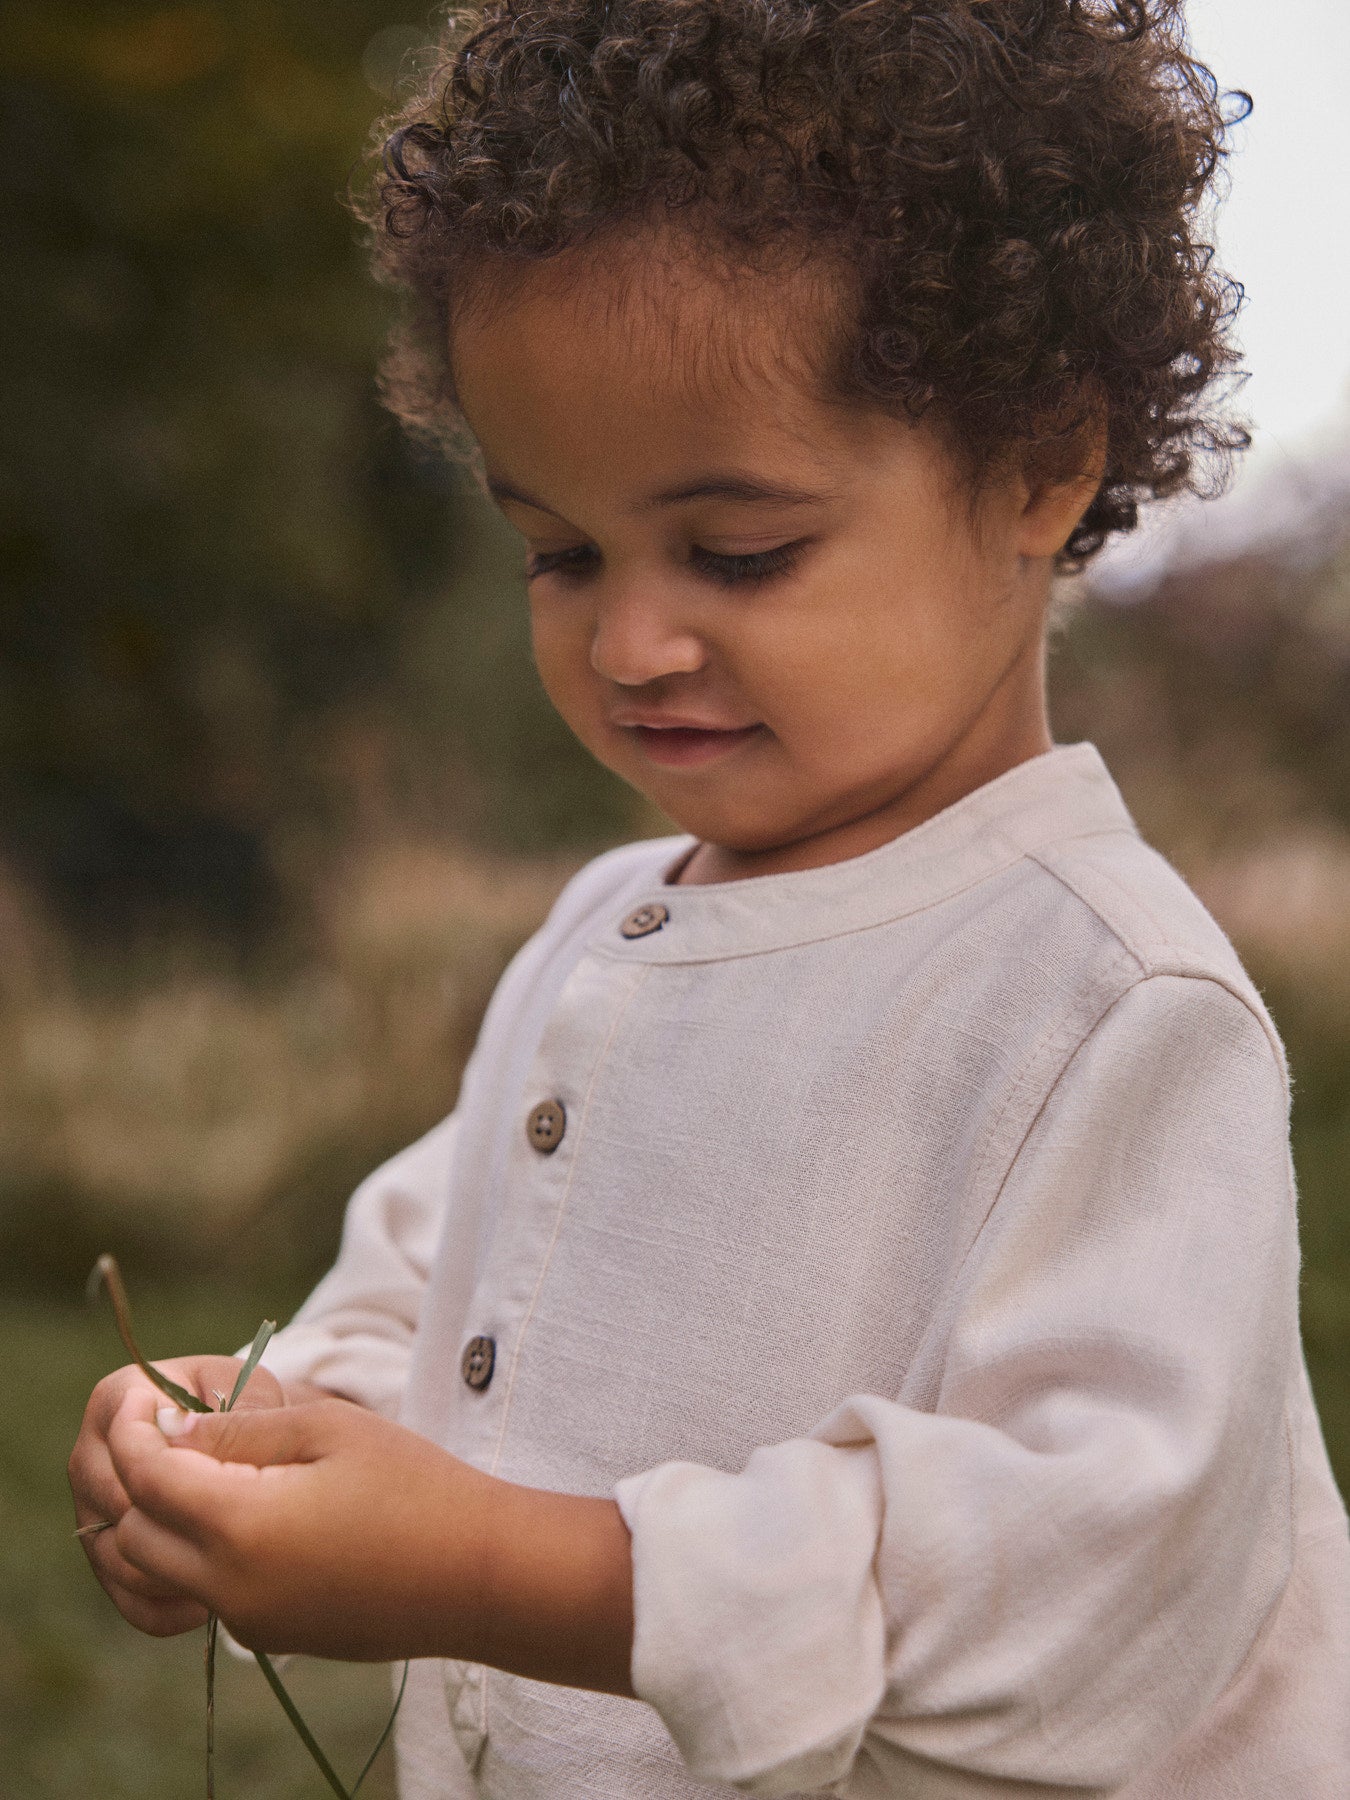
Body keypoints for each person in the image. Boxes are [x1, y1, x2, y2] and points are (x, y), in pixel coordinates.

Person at [69, 3, 1350, 1795]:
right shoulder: (604, 934)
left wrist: (512, 1573)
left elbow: (1096, 1578)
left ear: (1038, 467)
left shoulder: (1103, 1000)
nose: (631, 638)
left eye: (738, 552)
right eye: (560, 551)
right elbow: (447, 1288)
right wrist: (276, 1436)